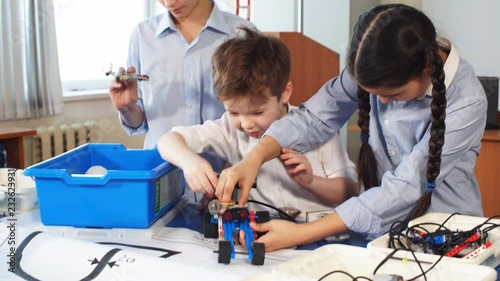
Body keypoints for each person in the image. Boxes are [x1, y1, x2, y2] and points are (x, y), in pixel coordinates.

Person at [214, 4, 487, 251]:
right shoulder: (372, 67)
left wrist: (301, 233)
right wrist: (255, 158)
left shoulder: (467, 101)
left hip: (447, 238)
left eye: (393, 94)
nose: (381, 102)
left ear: (427, 69)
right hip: (383, 235)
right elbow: (314, 118)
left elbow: (404, 188)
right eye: (372, 93)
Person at [157, 27, 358, 219]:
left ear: (284, 93)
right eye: (233, 111)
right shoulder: (229, 130)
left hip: (314, 234)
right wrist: (190, 162)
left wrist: (311, 182)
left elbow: (350, 192)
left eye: (257, 112)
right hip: (262, 234)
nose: (246, 124)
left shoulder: (317, 128)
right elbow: (167, 141)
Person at [108, 0, 255, 151]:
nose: (169, 3)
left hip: (226, 168)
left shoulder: (242, 34)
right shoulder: (142, 35)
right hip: (161, 169)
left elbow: (260, 112)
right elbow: (138, 123)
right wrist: (127, 108)